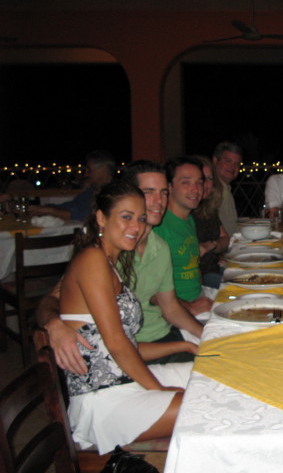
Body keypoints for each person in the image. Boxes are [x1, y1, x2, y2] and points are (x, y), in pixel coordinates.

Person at [58, 181, 194, 454]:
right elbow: (117, 343)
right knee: (203, 404)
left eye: (141, 219)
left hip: (125, 381)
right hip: (103, 401)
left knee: (211, 376)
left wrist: (186, 345)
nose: (136, 227)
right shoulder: (92, 260)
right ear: (101, 218)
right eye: (126, 217)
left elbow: (126, 345)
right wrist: (159, 391)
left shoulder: (110, 263)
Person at [37, 160, 204, 374]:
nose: (159, 201)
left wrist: (207, 335)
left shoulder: (160, 247)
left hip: (164, 337)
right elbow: (50, 300)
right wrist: (53, 324)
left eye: (163, 192)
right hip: (128, 355)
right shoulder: (107, 250)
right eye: (149, 192)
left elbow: (170, 307)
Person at [155, 157, 213, 313]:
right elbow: (149, 290)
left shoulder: (189, 219)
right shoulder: (159, 225)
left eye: (199, 183)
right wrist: (190, 307)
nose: (196, 190)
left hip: (199, 297)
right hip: (178, 310)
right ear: (169, 187)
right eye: (186, 183)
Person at [30, 149, 115, 221]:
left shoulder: (113, 193)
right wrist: (43, 208)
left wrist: (51, 211)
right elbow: (70, 205)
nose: (86, 174)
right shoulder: (90, 191)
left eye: (89, 170)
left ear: (103, 169)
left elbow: (86, 215)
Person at [191, 155, 229, 289]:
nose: (206, 184)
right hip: (202, 277)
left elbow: (225, 239)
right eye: (202, 179)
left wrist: (211, 245)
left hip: (214, 268)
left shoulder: (208, 208)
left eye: (210, 179)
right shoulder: (186, 211)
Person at [212, 141, 243, 235]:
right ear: (215, 161)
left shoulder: (225, 188)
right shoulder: (210, 190)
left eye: (237, 164)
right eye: (228, 161)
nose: (232, 167)